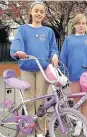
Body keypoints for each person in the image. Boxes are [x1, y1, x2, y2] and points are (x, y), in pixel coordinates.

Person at [10, 1, 58, 137]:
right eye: (36, 11)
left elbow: (53, 48)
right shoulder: (22, 29)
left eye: (42, 11)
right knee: (30, 102)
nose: (39, 13)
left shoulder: (48, 31)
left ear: (44, 14)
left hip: (43, 70)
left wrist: (54, 56)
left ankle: (41, 132)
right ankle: (30, 131)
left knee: (41, 102)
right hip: (27, 68)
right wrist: (18, 52)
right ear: (31, 12)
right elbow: (16, 44)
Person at [59, 13, 87, 136]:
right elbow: (63, 57)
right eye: (78, 23)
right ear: (74, 25)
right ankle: (78, 123)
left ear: (86, 25)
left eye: (83, 23)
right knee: (76, 100)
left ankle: (85, 123)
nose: (81, 26)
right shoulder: (69, 39)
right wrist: (63, 72)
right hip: (73, 75)